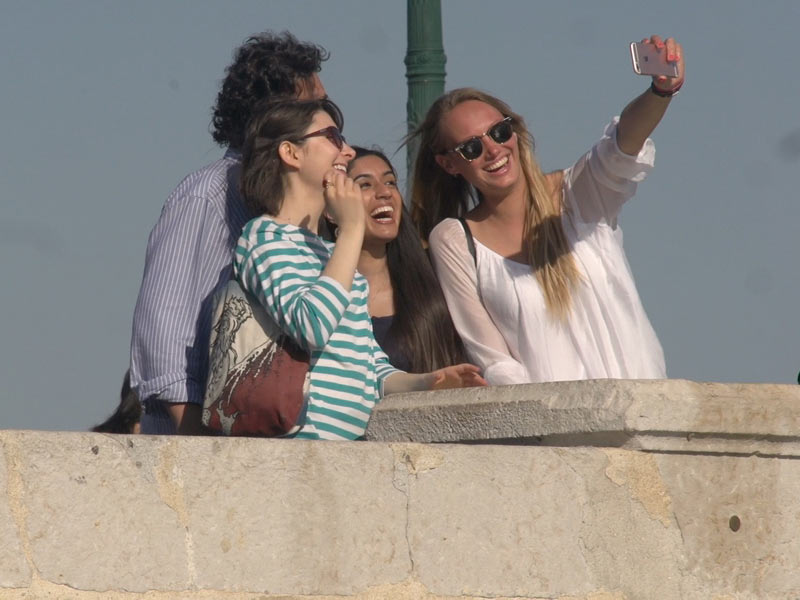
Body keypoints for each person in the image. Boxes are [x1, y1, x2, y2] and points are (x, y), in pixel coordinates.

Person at [408, 35, 684, 385]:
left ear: (516, 131)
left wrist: (661, 91)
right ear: (449, 165)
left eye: (499, 131)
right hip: (550, 430)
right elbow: (495, 361)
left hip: (641, 413)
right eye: (472, 147)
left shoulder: (576, 194)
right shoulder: (455, 240)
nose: (493, 150)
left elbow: (621, 148)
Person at [235, 97, 486, 440]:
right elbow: (311, 326)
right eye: (332, 137)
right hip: (299, 452)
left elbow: (373, 370)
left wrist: (430, 382)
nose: (347, 152)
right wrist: (352, 230)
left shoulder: (331, 254)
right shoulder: (264, 237)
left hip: (348, 455)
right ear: (291, 153)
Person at [129, 31, 327, 434]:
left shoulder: (314, 206)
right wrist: (203, 443)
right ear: (274, 114)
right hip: (203, 453)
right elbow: (163, 330)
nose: (329, 119)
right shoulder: (207, 197)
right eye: (314, 107)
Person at [331, 146, 469, 372]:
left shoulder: (436, 280)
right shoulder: (317, 291)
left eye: (390, 182)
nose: (384, 192)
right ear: (332, 209)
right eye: (365, 184)